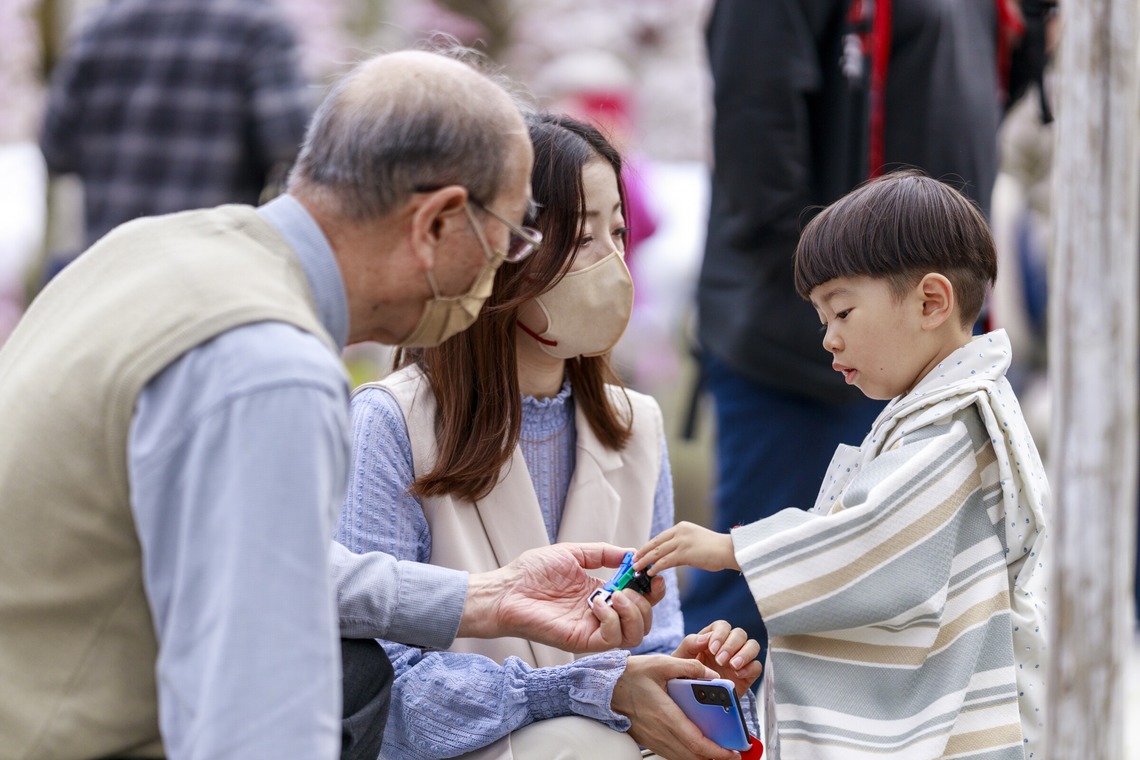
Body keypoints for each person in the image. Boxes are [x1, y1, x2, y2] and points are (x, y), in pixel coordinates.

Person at [0, 50, 663, 760]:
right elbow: (256, 713)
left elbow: (252, 555)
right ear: (438, 222)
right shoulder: (270, 365)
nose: (505, 266)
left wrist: (479, 598)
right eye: (511, 236)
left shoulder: (145, 251)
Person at [337, 112, 761, 760]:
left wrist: (686, 675)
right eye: (583, 236)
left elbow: (644, 647)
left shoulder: (636, 426)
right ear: (501, 249)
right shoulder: (391, 422)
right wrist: (594, 690)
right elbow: (385, 691)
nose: (613, 262)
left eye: (618, 231)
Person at [636, 172, 1049, 759]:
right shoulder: (947, 408)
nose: (828, 339)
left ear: (931, 301)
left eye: (843, 312)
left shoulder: (954, 425)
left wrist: (733, 549)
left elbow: (872, 537)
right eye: (822, 320)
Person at [685, 0, 1023, 658]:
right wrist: (842, 306)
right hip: (806, 355)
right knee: (750, 616)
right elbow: (759, 150)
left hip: (925, 339)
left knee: (921, 614)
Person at [39, 0, 313, 252]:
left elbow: (56, 150)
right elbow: (293, 145)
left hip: (111, 264)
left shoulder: (101, 25)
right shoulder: (258, 24)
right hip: (209, 261)